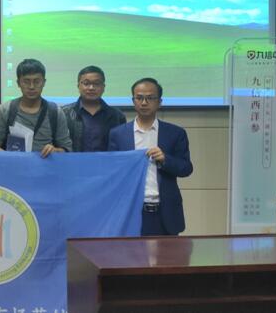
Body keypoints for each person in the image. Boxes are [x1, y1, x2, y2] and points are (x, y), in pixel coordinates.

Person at [108, 77, 193, 236]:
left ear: (159, 102)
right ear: (133, 101)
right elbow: (112, 172)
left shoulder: (175, 133)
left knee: (167, 253)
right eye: (139, 98)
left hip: (165, 214)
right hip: (131, 212)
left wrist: (165, 159)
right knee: (130, 253)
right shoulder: (118, 134)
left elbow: (186, 168)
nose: (144, 102)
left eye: (150, 98)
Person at [0, 58, 72, 157]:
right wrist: (12, 158)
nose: (31, 87)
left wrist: (55, 151)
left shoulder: (55, 112)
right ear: (18, 83)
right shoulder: (6, 109)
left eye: (37, 81)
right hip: (14, 164)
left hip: (45, 165)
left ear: (44, 82)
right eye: (26, 81)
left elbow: (67, 149)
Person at [62, 66, 126, 152]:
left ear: (103, 87)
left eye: (96, 84)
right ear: (78, 86)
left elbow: (121, 146)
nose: (91, 88)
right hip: (74, 160)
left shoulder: (117, 116)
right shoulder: (64, 113)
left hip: (106, 161)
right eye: (86, 83)